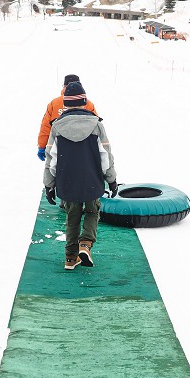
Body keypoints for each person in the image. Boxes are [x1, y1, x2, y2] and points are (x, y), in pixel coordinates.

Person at [42, 81, 117, 270]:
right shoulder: (96, 125)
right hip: (92, 179)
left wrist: (49, 185)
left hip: (67, 182)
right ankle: (86, 244)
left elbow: (52, 160)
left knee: (72, 217)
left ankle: (70, 257)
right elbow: (105, 156)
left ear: (65, 104)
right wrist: (112, 179)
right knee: (92, 211)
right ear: (84, 102)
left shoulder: (57, 127)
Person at [36, 74, 98, 160]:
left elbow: (46, 126)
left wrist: (42, 146)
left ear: (64, 86)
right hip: (85, 148)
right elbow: (96, 126)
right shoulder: (87, 103)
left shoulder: (54, 103)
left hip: (59, 147)